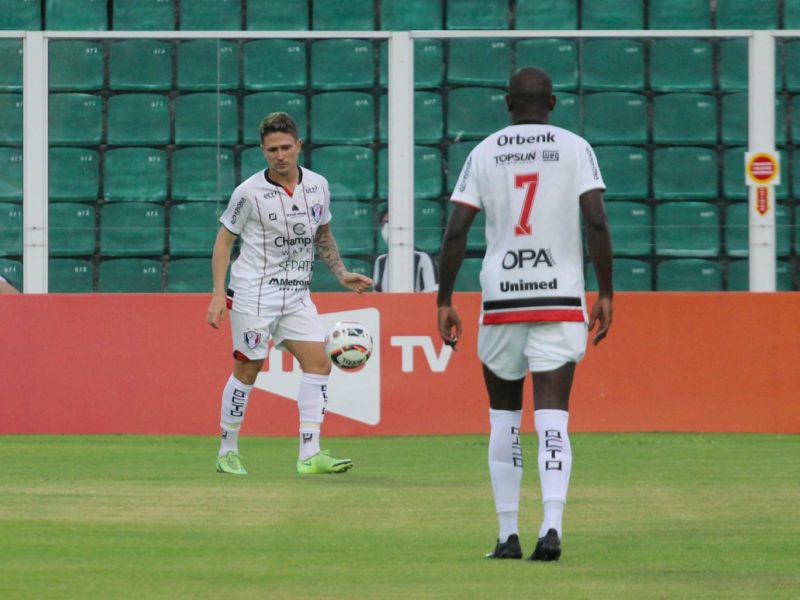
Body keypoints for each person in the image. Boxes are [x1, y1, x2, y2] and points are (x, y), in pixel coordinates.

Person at [436, 67, 613, 562]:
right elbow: (596, 220)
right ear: (552, 103)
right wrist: (608, 291)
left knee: (504, 418)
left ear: (506, 101)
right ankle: (552, 526)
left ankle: (507, 535)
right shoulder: (576, 148)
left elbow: (456, 232)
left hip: (503, 299)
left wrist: (443, 300)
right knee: (553, 415)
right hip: (558, 296)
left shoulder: (484, 151)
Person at [207, 112, 372, 476]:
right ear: (263, 151)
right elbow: (223, 241)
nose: (279, 155)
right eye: (271, 150)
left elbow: (322, 235)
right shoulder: (247, 193)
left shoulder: (318, 185)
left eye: (285, 147)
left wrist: (341, 272)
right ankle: (227, 450)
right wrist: (218, 294)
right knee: (248, 370)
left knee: (319, 362)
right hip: (254, 295)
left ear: (298, 145)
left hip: (297, 296)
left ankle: (309, 454)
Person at [372, 208, 439, 292]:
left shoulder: (423, 258)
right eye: (384, 223)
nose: (387, 226)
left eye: (391, 222)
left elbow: (433, 293)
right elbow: (376, 295)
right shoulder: (380, 261)